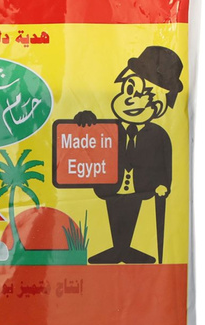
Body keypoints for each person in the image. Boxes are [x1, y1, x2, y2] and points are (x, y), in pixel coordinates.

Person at [75, 46, 183, 264]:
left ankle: (126, 250)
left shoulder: (159, 134)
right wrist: (84, 120)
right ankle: (118, 250)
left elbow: (167, 162)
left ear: (161, 105)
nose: (134, 101)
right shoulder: (108, 128)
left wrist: (164, 185)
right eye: (131, 90)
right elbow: (88, 137)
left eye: (149, 98)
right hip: (111, 185)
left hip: (141, 188)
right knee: (114, 212)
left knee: (132, 214)